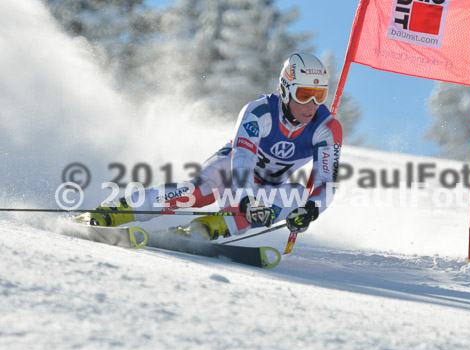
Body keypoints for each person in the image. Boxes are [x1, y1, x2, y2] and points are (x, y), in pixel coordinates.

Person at [81, 51, 343, 240]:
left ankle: (203, 230)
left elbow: (325, 182)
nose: (311, 104)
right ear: (286, 90)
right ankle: (117, 210)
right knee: (200, 191)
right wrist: (245, 198)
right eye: (304, 94)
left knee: (294, 197)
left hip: (268, 187)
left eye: (318, 96)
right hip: (230, 169)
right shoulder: (259, 112)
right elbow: (242, 158)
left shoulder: (326, 129)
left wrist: (311, 210)